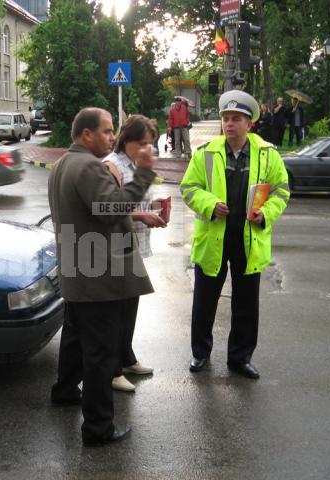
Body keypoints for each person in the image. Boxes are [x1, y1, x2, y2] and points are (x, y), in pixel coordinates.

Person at [48, 107, 157, 446]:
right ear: (86, 135)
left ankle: (64, 391)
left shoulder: (64, 163)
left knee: (76, 338)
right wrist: (143, 174)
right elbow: (112, 210)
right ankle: (98, 428)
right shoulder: (89, 166)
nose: (113, 137)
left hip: (78, 268)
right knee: (101, 355)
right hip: (97, 277)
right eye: (108, 131)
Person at [179, 90, 290, 379]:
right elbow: (189, 188)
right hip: (214, 238)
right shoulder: (206, 153)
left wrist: (266, 213)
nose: (229, 124)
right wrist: (210, 204)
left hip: (249, 238)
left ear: (249, 123)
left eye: (236, 119)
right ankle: (200, 353)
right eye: (226, 118)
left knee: (246, 303)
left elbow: (281, 190)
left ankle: (240, 358)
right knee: (204, 301)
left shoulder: (268, 154)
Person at [102, 115, 167, 393]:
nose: (146, 149)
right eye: (141, 143)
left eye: (150, 144)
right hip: (116, 246)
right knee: (115, 310)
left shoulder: (135, 165)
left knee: (130, 304)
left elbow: (133, 200)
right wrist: (143, 214)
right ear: (126, 140)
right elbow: (107, 208)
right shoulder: (112, 166)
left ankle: (126, 358)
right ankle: (112, 370)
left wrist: (155, 205)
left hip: (135, 243)